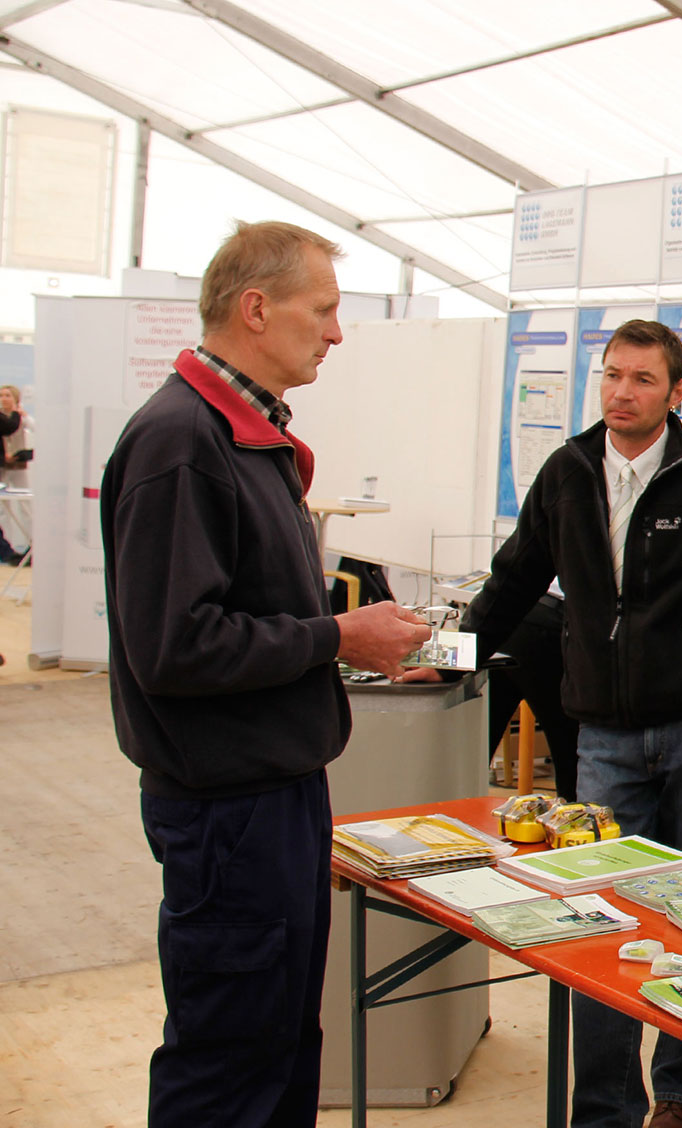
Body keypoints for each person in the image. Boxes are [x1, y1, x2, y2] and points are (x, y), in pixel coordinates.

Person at [437, 318, 682, 1128]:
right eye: (612, 375)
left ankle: (681, 1095)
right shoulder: (567, 473)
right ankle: (607, 1108)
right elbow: (511, 585)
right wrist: (447, 661)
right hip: (605, 745)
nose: (622, 392)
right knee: (601, 928)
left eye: (643, 379)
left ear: (677, 391)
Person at [101, 220, 433, 1128]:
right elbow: (175, 647)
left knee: (280, 1043)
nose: (335, 333)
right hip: (229, 809)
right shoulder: (183, 443)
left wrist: (349, 643)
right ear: (255, 309)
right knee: (230, 1064)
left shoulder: (236, 434)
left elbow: (239, 611)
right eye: (322, 311)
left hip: (268, 796)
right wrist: (337, 637)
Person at [485, 585, 580, 798]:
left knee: (477, 748)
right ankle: (574, 813)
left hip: (509, 618)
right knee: (572, 751)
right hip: (551, 624)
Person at [0, 383, 30, 564]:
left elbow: (35, 428)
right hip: (3, 468)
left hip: (18, 467)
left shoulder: (21, 417)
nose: (4, 399)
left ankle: (30, 545)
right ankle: (7, 550)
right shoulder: (6, 419)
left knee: (25, 505)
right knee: (3, 508)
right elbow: (9, 426)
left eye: (7, 395)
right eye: (1, 395)